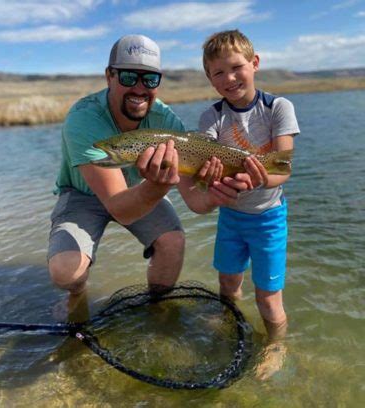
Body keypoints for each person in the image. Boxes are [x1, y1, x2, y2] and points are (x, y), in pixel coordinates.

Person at [47, 34, 246, 318]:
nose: (139, 88)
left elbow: (195, 202)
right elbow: (120, 207)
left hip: (139, 188)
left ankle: (156, 309)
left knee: (173, 243)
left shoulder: (167, 121)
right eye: (129, 77)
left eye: (149, 79)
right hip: (84, 194)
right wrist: (157, 186)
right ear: (109, 76)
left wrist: (215, 195)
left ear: (159, 81)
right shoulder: (83, 118)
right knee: (66, 272)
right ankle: (78, 294)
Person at [179, 29, 300, 379]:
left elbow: (283, 169)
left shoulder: (278, 107)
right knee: (228, 285)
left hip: (268, 218)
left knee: (268, 298)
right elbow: (207, 168)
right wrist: (211, 178)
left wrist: (257, 178)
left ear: (255, 63)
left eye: (236, 67)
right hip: (230, 217)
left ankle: (276, 346)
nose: (229, 78)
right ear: (209, 79)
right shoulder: (210, 118)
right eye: (218, 72)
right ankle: (229, 326)